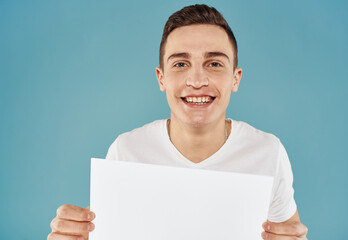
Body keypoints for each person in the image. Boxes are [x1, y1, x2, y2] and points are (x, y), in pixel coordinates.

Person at [48, 4, 308, 240]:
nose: (197, 80)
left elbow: (291, 233)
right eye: (181, 63)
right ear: (161, 78)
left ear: (235, 78)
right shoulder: (126, 151)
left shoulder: (267, 152)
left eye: (214, 63)